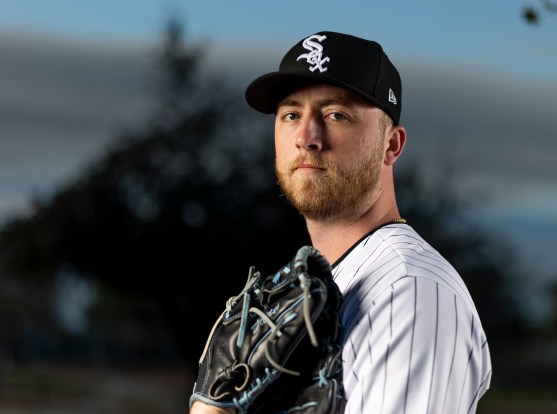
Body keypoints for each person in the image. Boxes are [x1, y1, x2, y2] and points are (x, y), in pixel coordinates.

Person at [190, 30, 492, 414]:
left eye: (336, 114)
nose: (307, 137)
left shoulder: (411, 292)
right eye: (291, 114)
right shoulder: (318, 287)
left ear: (392, 145)